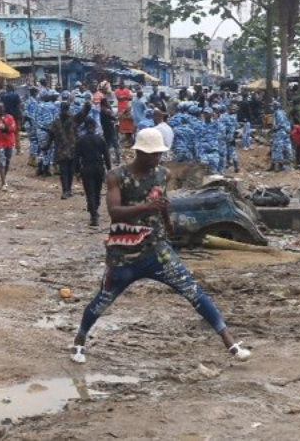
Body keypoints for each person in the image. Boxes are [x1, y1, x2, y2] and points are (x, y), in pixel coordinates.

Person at [70, 128, 251, 365]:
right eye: (153, 154)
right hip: (125, 254)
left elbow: (162, 202)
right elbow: (114, 213)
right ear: (140, 153)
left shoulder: (163, 174)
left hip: (157, 249)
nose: (158, 158)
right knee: (103, 300)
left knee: (192, 291)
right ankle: (79, 340)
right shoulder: (117, 176)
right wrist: (147, 207)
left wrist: (168, 224)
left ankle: (231, 343)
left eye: (159, 153)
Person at [46, 98, 90, 199]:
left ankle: (68, 189)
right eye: (64, 109)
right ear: (61, 110)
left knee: (70, 171)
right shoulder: (56, 122)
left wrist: (87, 105)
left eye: (66, 109)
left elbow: (83, 114)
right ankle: (65, 190)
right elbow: (51, 135)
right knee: (63, 171)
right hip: (62, 151)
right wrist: (46, 146)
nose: (65, 111)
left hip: (72, 150)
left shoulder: (73, 119)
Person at [76, 117, 112, 226]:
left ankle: (93, 214)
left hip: (87, 168)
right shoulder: (100, 139)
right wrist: (109, 169)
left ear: (85, 126)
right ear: (94, 126)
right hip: (99, 168)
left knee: (89, 192)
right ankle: (95, 209)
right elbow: (106, 155)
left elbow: (76, 157)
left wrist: (77, 171)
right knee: (97, 191)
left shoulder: (81, 140)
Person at [0, 102, 17, 191]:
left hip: (9, 142)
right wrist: (1, 129)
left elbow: (13, 129)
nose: (0, 110)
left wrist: (3, 128)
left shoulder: (9, 117)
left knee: (7, 161)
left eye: (1, 108)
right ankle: (3, 182)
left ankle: (3, 178)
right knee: (1, 162)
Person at [269, 101, 294, 172]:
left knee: (278, 148)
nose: (271, 107)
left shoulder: (278, 113)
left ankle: (280, 166)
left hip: (280, 132)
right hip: (282, 132)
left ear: (275, 106)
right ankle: (274, 165)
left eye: (272, 106)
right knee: (275, 148)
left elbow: (281, 123)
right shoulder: (281, 112)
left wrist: (274, 129)